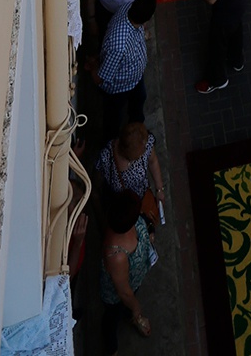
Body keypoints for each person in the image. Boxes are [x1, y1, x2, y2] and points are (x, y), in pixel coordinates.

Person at [99, 185, 157, 349]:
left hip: (134, 281)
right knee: (112, 319)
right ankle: (112, 349)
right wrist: (137, 310)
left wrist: (150, 231)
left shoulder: (131, 219)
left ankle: (128, 313)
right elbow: (123, 292)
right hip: (117, 296)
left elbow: (143, 224)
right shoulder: (116, 255)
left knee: (125, 308)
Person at [95, 0, 157, 139]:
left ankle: (138, 132)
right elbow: (101, 77)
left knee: (138, 104)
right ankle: (110, 144)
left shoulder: (128, 7)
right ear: (146, 19)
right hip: (118, 89)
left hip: (135, 79)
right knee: (113, 119)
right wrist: (92, 67)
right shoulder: (118, 45)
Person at [96, 120, 165, 231]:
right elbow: (97, 182)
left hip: (142, 197)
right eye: (139, 155)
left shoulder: (144, 143)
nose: (144, 152)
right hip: (123, 207)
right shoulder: (107, 156)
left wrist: (159, 189)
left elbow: (153, 161)